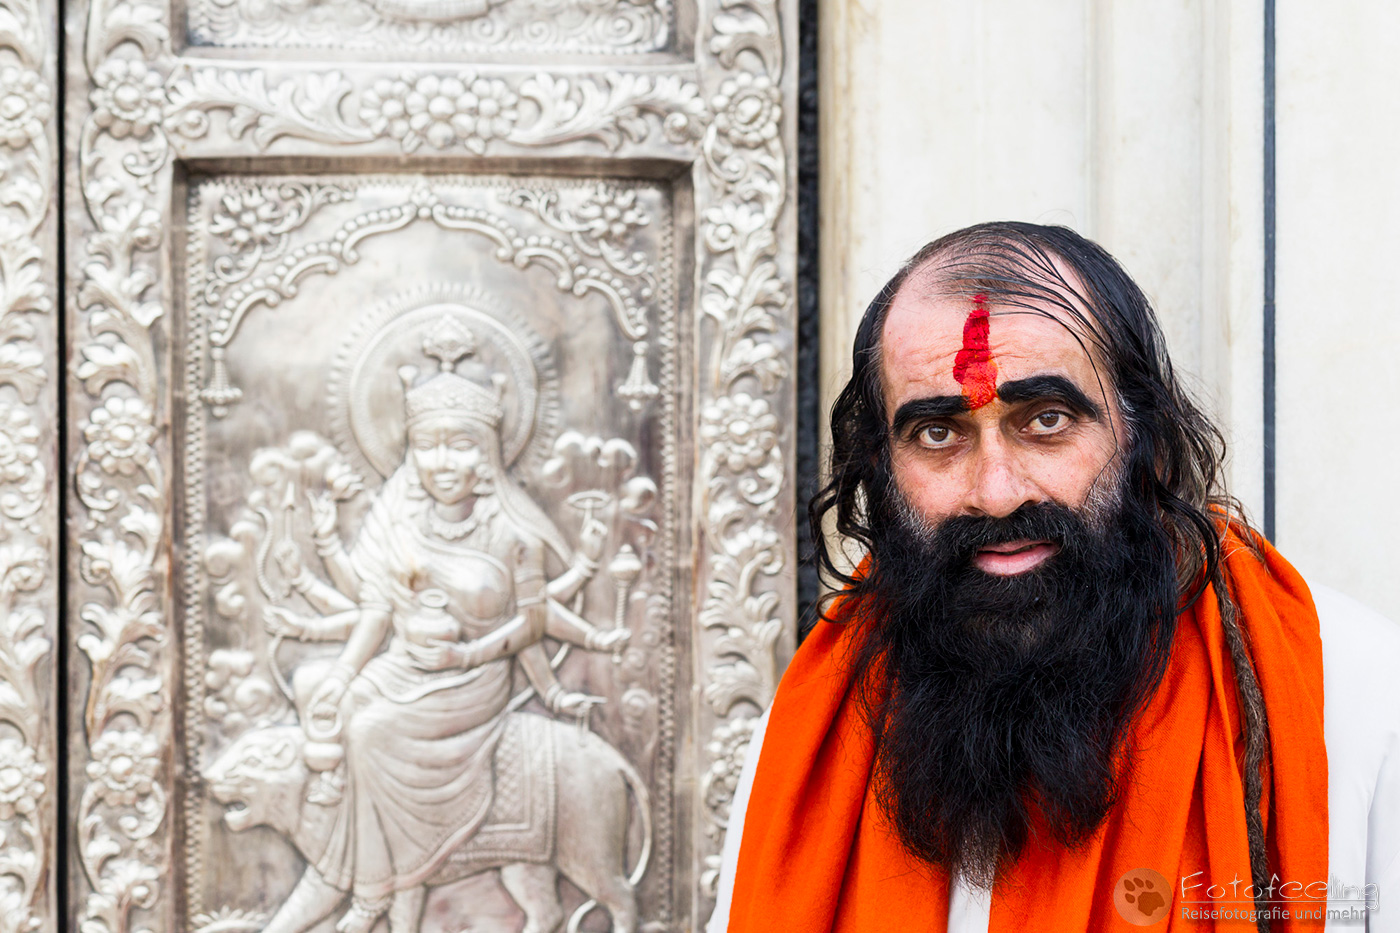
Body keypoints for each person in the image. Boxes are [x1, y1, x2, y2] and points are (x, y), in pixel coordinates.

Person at [707, 223, 1400, 932]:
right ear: (881, 471)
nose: (997, 491)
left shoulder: (1355, 704)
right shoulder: (806, 737)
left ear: (1149, 446)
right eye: (938, 433)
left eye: (1046, 419)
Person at [262, 336, 629, 933]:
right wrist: (340, 674)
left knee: (370, 730)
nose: (443, 463)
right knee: (317, 688)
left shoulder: (513, 533)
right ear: (410, 452)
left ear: (487, 454)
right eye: (428, 447)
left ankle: (372, 889)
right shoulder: (399, 521)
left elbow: (533, 621)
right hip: (405, 666)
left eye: (461, 446)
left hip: (473, 679)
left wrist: (470, 652)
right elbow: (376, 609)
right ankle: (344, 853)